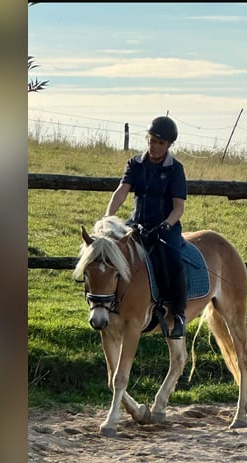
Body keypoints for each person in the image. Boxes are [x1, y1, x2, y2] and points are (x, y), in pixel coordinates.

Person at [104, 115, 188, 338]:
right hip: (136, 224)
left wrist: (165, 226)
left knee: (173, 260)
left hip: (165, 226)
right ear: (147, 139)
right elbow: (122, 191)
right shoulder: (135, 164)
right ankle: (109, 304)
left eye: (161, 143)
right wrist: (108, 216)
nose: (155, 146)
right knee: (111, 253)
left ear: (169, 145)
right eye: (152, 141)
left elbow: (179, 208)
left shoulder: (176, 169)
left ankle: (179, 314)